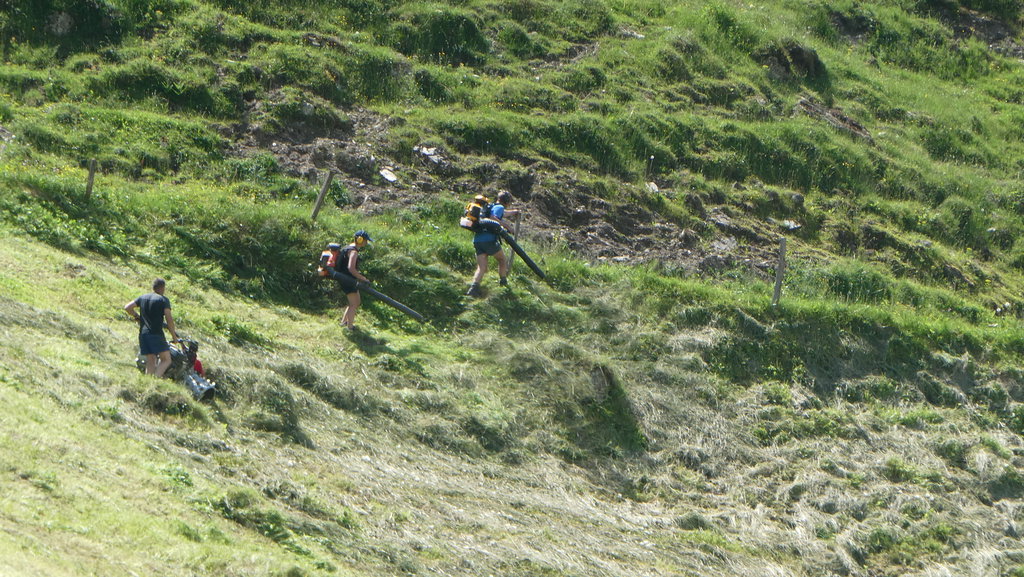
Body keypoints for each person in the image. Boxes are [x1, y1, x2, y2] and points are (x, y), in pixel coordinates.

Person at [124, 278, 179, 377]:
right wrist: (174, 336)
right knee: (166, 359)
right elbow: (169, 319)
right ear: (162, 288)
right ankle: (155, 379)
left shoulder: (143, 297)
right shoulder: (163, 300)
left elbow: (127, 307)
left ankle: (148, 382)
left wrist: (137, 317)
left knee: (151, 360)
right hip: (156, 333)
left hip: (143, 334)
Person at [467, 191, 518, 297]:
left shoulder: (491, 206)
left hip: (478, 240)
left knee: (481, 267)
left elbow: (504, 213)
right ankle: (503, 284)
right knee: (502, 260)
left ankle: (473, 288)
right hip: (489, 240)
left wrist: (515, 212)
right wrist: (508, 227)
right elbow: (493, 217)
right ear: (507, 201)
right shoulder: (499, 208)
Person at [319, 230, 372, 329]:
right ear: (360, 240)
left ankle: (344, 322)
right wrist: (363, 278)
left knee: (356, 302)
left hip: (346, 279)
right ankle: (350, 327)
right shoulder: (353, 252)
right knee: (354, 304)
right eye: (365, 240)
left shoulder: (348, 248)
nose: (366, 243)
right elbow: (351, 268)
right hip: (348, 280)